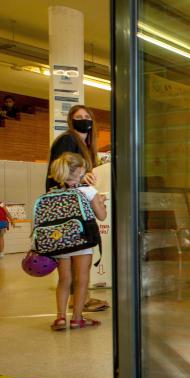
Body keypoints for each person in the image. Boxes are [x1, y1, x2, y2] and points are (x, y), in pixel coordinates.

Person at [46, 105, 109, 312]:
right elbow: (60, 170)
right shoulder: (68, 140)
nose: (83, 120)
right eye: (78, 117)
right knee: (76, 257)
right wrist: (82, 178)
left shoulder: (84, 144)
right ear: (71, 121)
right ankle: (77, 303)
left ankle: (76, 303)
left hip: (74, 205)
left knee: (71, 257)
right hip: (69, 208)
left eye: (86, 117)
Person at [48, 153, 107, 331]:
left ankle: (60, 318)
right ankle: (77, 318)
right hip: (82, 242)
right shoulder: (88, 191)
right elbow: (102, 216)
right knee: (81, 280)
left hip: (61, 242)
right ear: (81, 170)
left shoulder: (53, 193)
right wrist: (100, 201)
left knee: (64, 280)